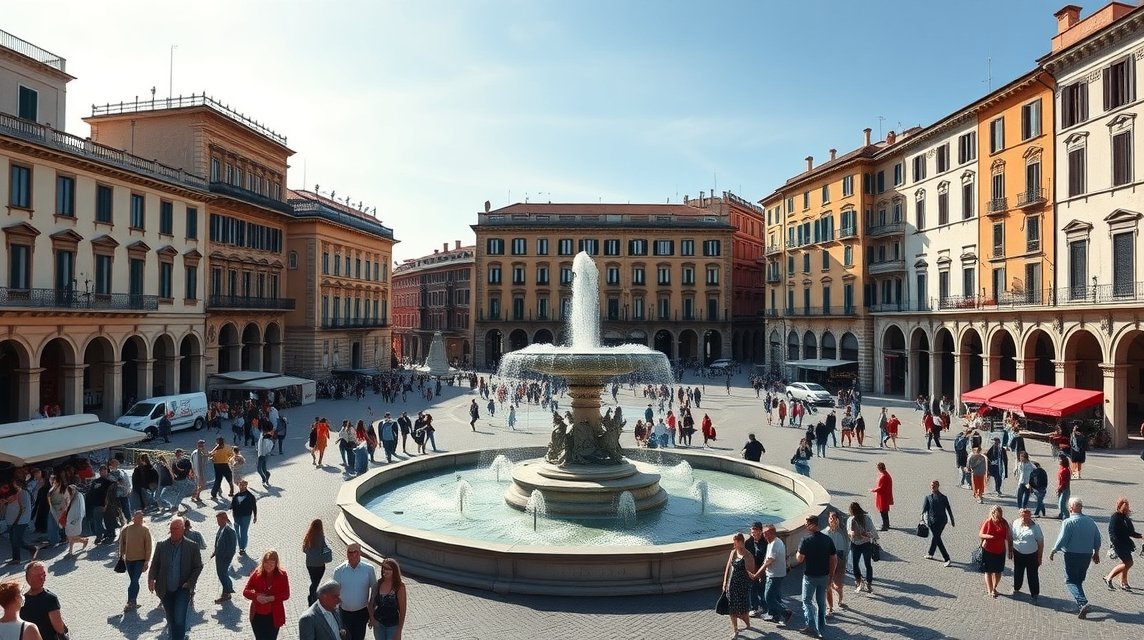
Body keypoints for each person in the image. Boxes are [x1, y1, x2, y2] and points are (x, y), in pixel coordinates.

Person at [148, 518, 204, 640]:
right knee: (171, 619)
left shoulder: (192, 546)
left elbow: (198, 566)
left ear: (183, 529)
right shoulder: (161, 545)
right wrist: (151, 578)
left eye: (176, 528)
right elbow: (155, 565)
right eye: (171, 528)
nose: (173, 531)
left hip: (182, 589)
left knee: (179, 619)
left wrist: (189, 582)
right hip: (165, 589)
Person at [1049, 497, 1102, 618]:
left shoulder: (1068, 522)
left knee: (1070, 581)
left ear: (1071, 508)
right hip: (1086, 555)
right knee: (1078, 580)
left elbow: (1062, 539)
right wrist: (1096, 553)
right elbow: (1097, 539)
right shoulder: (1091, 522)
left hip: (1072, 554)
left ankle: (1083, 603)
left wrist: (1054, 550)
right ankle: (1081, 605)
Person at [796, 515, 836, 639]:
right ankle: (821, 627)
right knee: (821, 602)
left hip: (810, 577)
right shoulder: (827, 539)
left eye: (806, 524)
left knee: (807, 601)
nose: (805, 525)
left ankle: (811, 626)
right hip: (824, 576)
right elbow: (833, 558)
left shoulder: (805, 540)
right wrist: (831, 576)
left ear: (813, 525)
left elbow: (799, 559)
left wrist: (797, 552)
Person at [333, 543, 377, 640]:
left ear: (360, 553)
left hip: (361, 613)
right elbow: (334, 594)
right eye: (350, 552)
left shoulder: (369, 569)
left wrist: (372, 613)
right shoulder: (339, 571)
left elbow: (375, 592)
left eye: (355, 552)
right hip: (344, 613)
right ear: (346, 553)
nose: (352, 554)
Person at [244, 549, 290, 640]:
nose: (268, 566)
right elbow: (245, 591)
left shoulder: (282, 575)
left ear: (276, 563)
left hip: (274, 615)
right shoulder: (256, 573)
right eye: (266, 563)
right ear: (263, 562)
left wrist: (272, 598)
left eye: (271, 563)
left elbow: (286, 594)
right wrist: (256, 596)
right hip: (257, 615)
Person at [721, 532, 755, 638]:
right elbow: (728, 567)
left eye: (735, 543)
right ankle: (735, 630)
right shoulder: (733, 552)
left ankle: (747, 623)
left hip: (742, 586)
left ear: (741, 542)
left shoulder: (748, 556)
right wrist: (725, 582)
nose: (734, 545)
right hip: (731, 585)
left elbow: (751, 573)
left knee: (743, 610)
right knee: (732, 609)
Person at [1103, 497, 1142, 591]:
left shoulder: (1126, 518)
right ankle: (1109, 577)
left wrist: (1141, 536)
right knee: (1129, 563)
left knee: (1125, 563)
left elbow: (1131, 532)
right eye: (1124, 507)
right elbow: (1112, 531)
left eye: (1127, 507)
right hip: (1119, 545)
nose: (1126, 509)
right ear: (1119, 506)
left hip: (1126, 544)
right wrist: (1114, 543)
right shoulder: (1115, 517)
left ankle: (1123, 582)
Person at [20, 562, 66, 640]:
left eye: (43, 574)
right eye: (38, 575)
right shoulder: (50, 599)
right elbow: (59, 628)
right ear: (29, 578)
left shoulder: (20, 600)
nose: (42, 578)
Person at [118, 510, 152, 612]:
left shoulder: (145, 530)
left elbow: (148, 546)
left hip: (140, 560)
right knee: (133, 580)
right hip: (129, 559)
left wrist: (146, 561)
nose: (140, 519)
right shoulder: (127, 529)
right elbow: (121, 542)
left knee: (134, 580)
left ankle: (130, 601)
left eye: (141, 517)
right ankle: (133, 601)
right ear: (134, 518)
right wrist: (121, 555)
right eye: (138, 517)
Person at [1010, 507, 1044, 601]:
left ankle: (1034, 594)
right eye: (1023, 517)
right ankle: (1016, 588)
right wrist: (1010, 550)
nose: (1026, 519)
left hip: (1032, 554)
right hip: (1018, 552)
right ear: (1020, 516)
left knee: (1032, 574)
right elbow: (1011, 537)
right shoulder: (1015, 523)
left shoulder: (1035, 527)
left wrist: (1040, 557)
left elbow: (1040, 543)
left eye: (1028, 517)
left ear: (1030, 516)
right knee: (1018, 571)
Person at [370, 557, 407, 640]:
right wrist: (372, 619)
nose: (385, 571)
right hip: (379, 624)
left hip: (393, 625)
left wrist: (399, 631)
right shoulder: (378, 584)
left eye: (388, 569)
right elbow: (370, 603)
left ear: (394, 571)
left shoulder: (399, 586)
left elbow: (403, 610)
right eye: (384, 568)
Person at [979, 505, 1010, 598]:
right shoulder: (988, 521)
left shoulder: (1004, 522)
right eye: (997, 512)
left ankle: (994, 587)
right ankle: (990, 590)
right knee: (988, 571)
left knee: (998, 571)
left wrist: (1010, 550)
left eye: (1000, 512)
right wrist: (990, 537)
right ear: (993, 513)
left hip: (1000, 550)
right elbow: (981, 534)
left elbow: (1008, 536)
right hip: (988, 550)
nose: (999, 514)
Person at [921, 480, 955, 566]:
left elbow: (949, 509)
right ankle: (930, 553)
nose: (932, 487)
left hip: (942, 521)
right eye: (931, 485)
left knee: (937, 538)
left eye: (934, 485)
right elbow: (924, 510)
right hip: (931, 522)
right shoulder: (928, 497)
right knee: (936, 537)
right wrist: (922, 519)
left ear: (938, 486)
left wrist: (952, 520)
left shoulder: (944, 497)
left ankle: (947, 558)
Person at [846, 502, 878, 593]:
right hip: (864, 544)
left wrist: (860, 534)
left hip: (858, 544)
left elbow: (848, 531)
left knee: (856, 563)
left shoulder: (853, 519)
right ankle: (867, 583)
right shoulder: (864, 518)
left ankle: (859, 581)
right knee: (866, 564)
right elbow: (872, 531)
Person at [6, 480, 38, 566]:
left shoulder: (23, 493)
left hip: (21, 521)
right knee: (14, 539)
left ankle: (18, 557)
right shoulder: (20, 492)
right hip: (17, 520)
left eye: (14, 483)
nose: (13, 485)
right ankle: (21, 555)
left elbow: (22, 508)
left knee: (16, 540)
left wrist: (16, 521)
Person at [823, 511, 849, 615]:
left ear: (838, 520)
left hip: (840, 562)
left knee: (837, 585)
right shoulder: (825, 532)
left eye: (834, 518)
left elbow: (846, 546)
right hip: (827, 561)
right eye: (830, 518)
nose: (832, 520)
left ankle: (840, 596)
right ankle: (830, 607)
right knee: (827, 585)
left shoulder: (842, 532)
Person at [211, 511, 238, 603]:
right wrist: (215, 551)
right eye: (217, 520)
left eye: (219, 520)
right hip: (219, 556)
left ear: (224, 519)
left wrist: (226, 557)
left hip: (224, 557)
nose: (217, 522)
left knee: (222, 574)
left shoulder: (230, 530)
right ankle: (227, 590)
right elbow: (218, 540)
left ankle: (227, 593)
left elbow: (232, 547)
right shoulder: (221, 527)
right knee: (222, 573)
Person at [743, 522, 768, 618]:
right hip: (752, 569)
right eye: (752, 532)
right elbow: (745, 556)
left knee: (762, 589)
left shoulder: (765, 542)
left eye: (755, 532)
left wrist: (761, 572)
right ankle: (754, 608)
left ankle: (765, 608)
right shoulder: (748, 542)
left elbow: (766, 559)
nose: (753, 534)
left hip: (762, 569)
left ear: (760, 531)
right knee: (752, 589)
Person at [303, 519, 330, 605]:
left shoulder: (308, 536)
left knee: (313, 581)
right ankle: (312, 596)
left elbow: (304, 549)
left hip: (309, 564)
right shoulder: (321, 537)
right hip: (319, 564)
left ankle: (312, 595)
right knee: (316, 582)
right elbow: (324, 548)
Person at [231, 480, 258, 555]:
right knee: (237, 532)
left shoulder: (250, 496)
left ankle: (242, 548)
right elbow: (233, 506)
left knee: (243, 532)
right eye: (240, 485)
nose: (242, 486)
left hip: (246, 516)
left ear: (246, 486)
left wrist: (255, 516)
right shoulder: (236, 496)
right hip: (236, 516)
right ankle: (240, 546)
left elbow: (254, 506)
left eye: (243, 485)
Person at [871, 462, 894, 531]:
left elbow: (881, 488)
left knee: (883, 511)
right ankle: (886, 524)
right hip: (884, 495)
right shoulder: (885, 474)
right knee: (884, 511)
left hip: (883, 496)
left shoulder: (884, 476)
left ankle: (885, 525)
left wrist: (873, 490)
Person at [190, 440, 209, 505]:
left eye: (203, 445)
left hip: (198, 471)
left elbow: (191, 462)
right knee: (202, 485)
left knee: (198, 485)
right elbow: (192, 462)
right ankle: (196, 496)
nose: (203, 446)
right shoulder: (198, 453)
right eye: (202, 445)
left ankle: (195, 496)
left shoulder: (195, 452)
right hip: (199, 472)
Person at [1056, 456, 1071, 520]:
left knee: (1062, 504)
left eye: (1060, 460)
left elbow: (1064, 482)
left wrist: (1059, 488)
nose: (1059, 461)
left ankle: (1067, 517)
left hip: (1064, 489)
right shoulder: (1063, 469)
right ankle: (1061, 515)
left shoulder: (1064, 470)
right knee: (1060, 503)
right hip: (1063, 488)